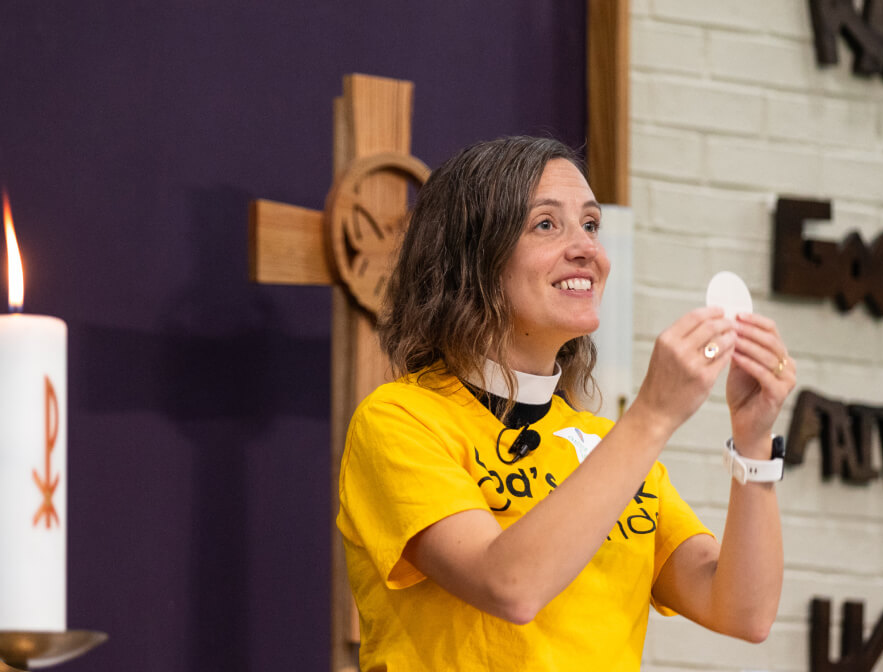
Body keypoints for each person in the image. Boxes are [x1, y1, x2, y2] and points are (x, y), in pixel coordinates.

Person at [337, 136, 794, 671]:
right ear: (470, 259)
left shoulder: (604, 445)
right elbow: (510, 586)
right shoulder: (399, 420)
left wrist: (754, 440)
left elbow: (743, 611)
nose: (588, 250)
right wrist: (653, 414)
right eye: (546, 225)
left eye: (592, 225)